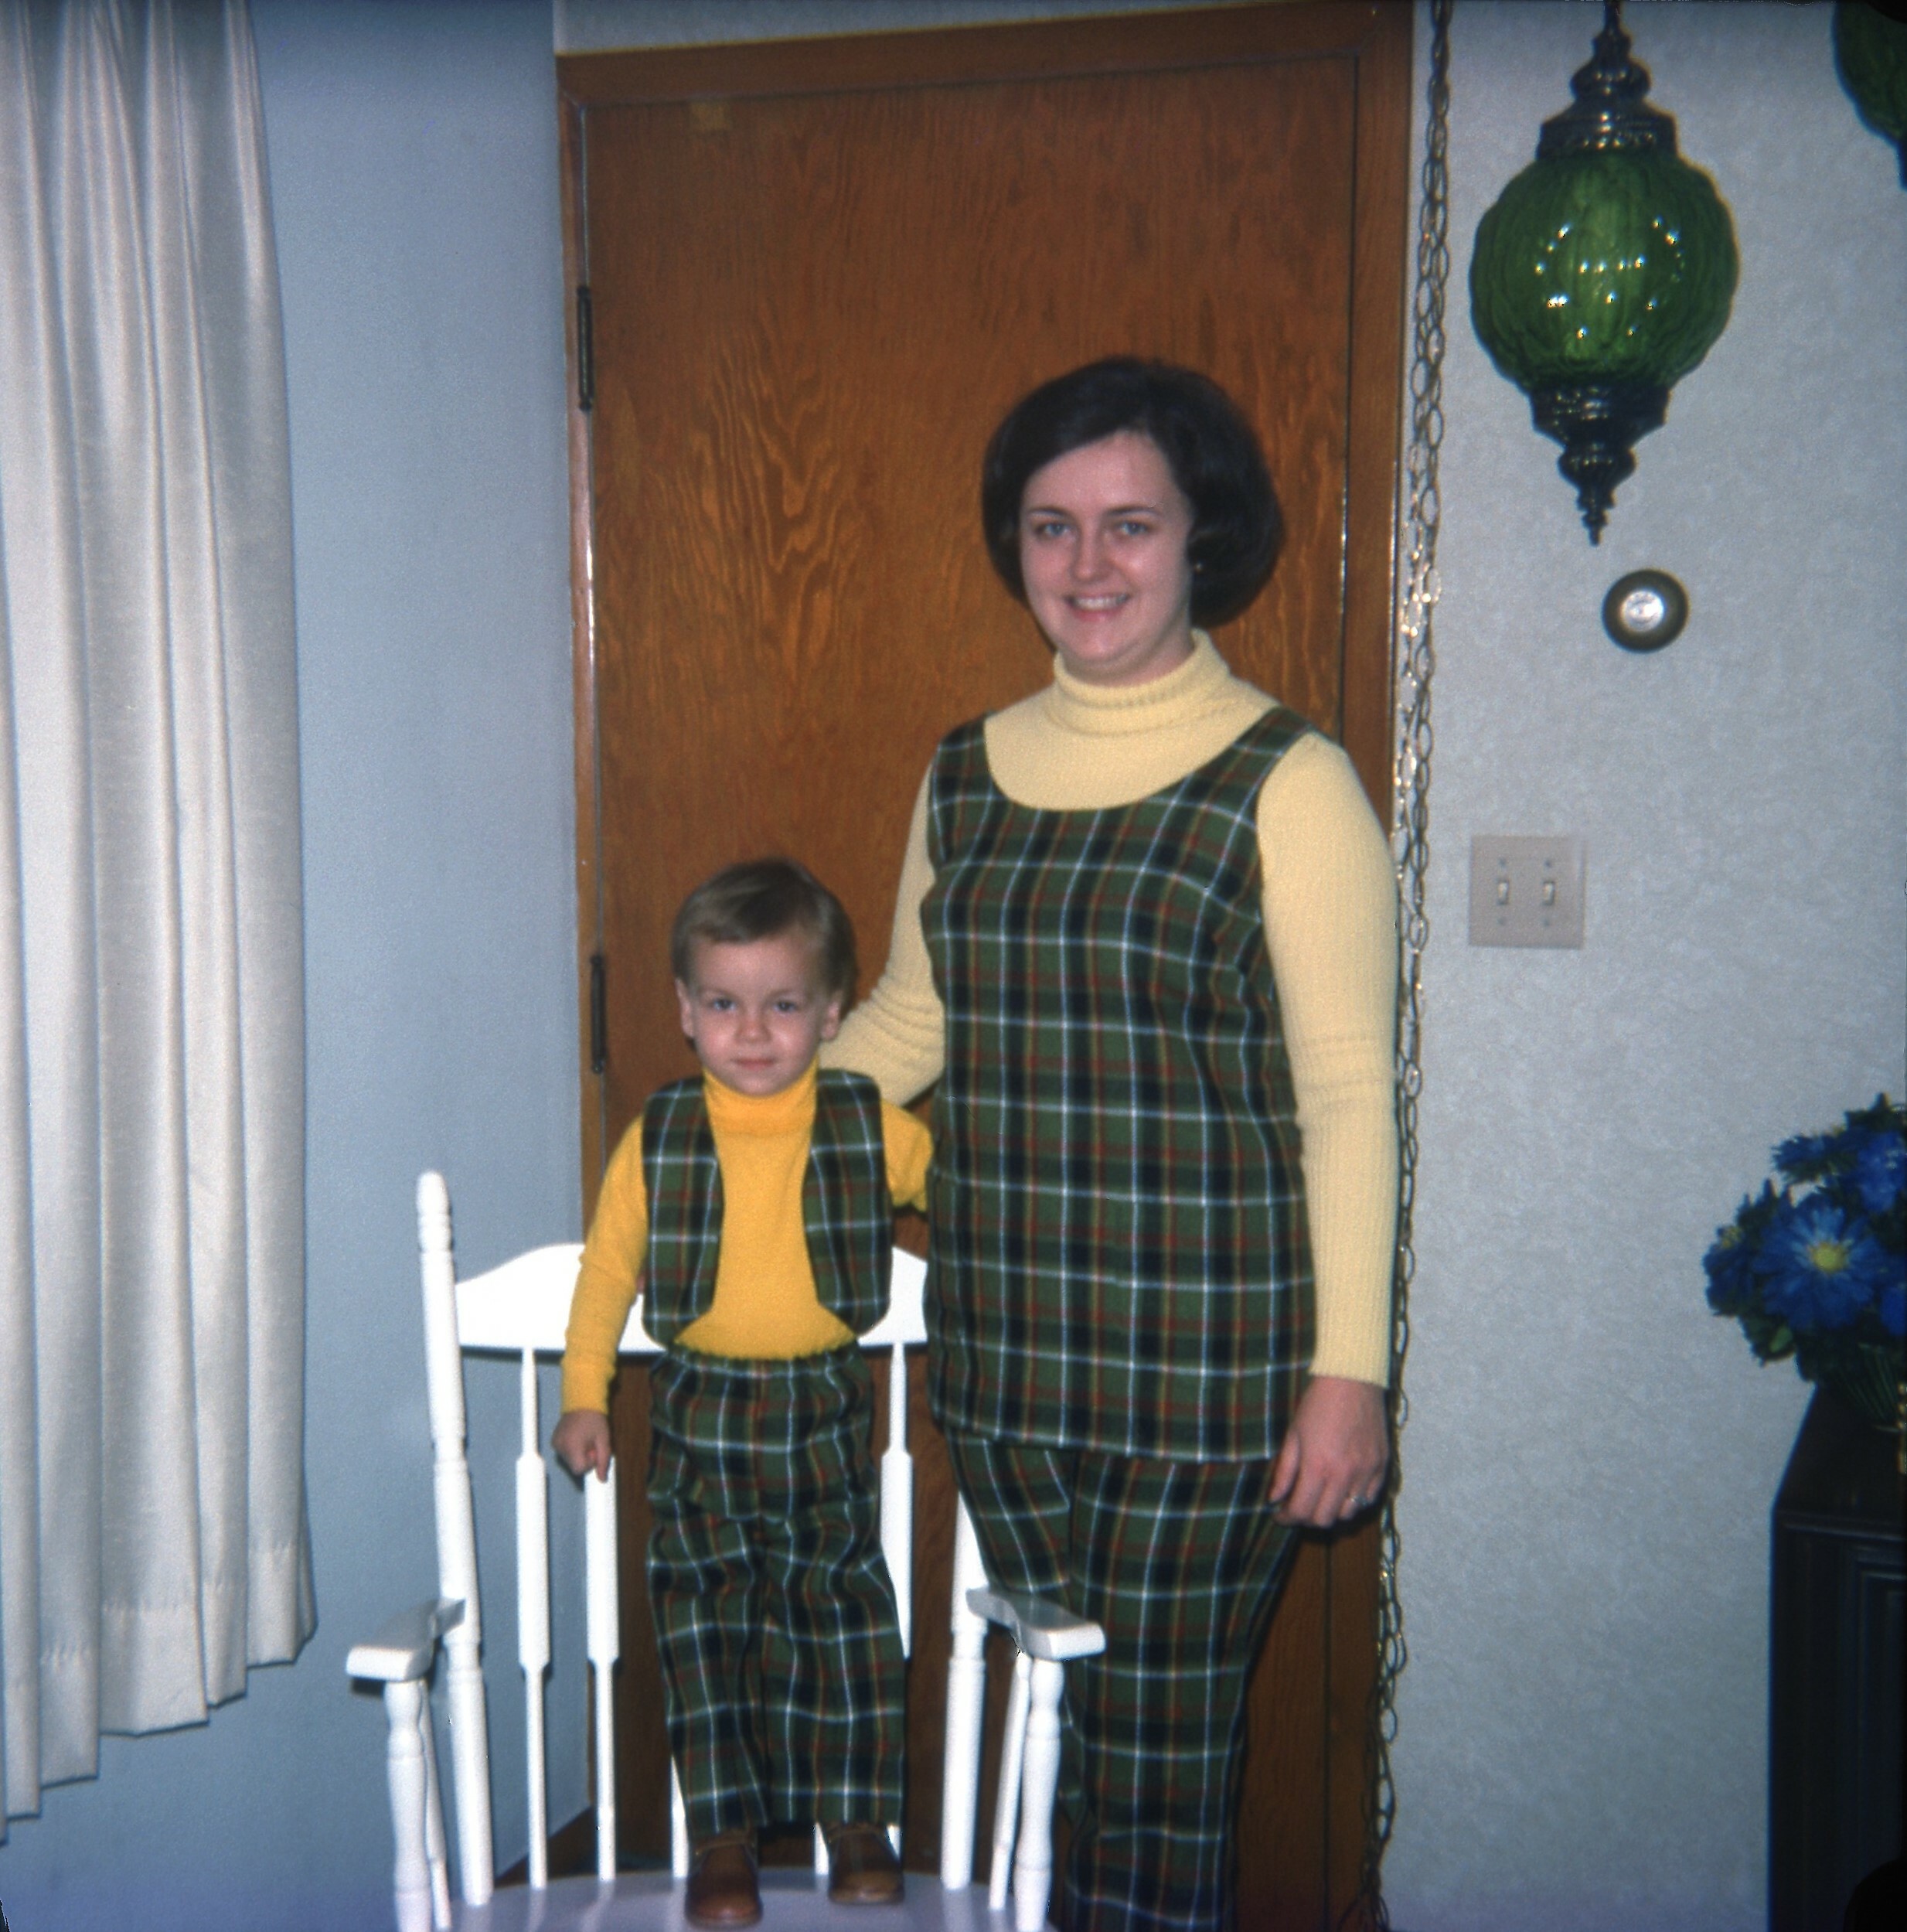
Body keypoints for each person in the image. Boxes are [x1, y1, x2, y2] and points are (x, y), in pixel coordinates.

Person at [826, 358, 1398, 1930]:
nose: (1088, 564)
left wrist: (1350, 1373)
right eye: (1051, 525)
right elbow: (909, 1022)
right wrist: (725, 1137)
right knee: (1060, 1748)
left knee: (1153, 1779)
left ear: (1200, 536)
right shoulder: (963, 770)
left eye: (1130, 524)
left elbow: (1349, 1095)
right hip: (1005, 1365)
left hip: (1208, 1382)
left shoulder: (1290, 781)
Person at [554, 858, 932, 1928]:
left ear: (833, 1012)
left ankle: (854, 1822)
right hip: (699, 1420)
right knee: (703, 1624)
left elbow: (967, 1194)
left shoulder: (871, 1124)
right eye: (724, 1005)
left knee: (843, 1616)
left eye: (784, 1006)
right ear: (685, 1010)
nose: (753, 1032)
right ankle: (722, 1839)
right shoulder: (660, 1135)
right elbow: (606, 1272)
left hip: (825, 1417)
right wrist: (586, 1393)